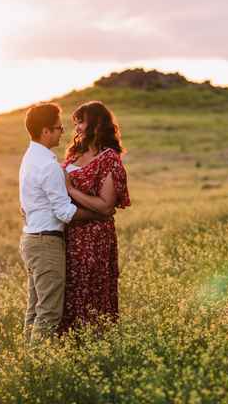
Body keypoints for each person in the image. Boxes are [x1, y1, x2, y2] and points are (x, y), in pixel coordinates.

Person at [18, 103, 113, 344]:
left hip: (30, 239)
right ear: (46, 131)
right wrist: (98, 213)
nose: (63, 132)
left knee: (35, 307)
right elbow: (64, 212)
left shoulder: (29, 158)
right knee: (49, 311)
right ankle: (38, 366)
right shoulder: (49, 166)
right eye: (59, 127)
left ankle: (27, 361)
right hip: (46, 243)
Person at [59, 101, 130, 334]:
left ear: (97, 124)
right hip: (68, 236)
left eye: (81, 121)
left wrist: (71, 190)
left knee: (92, 291)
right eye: (75, 122)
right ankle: (70, 347)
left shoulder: (108, 158)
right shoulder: (74, 154)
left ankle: (94, 344)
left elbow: (105, 205)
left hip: (94, 238)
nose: (77, 127)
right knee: (67, 291)